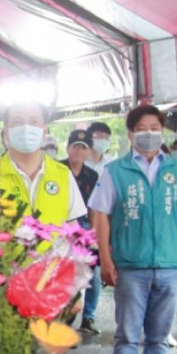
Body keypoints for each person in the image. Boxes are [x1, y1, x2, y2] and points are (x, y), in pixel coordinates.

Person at [89, 104, 177, 354]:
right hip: (130, 266)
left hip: (170, 265)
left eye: (154, 128)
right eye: (142, 129)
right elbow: (101, 216)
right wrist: (106, 259)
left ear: (161, 132)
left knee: (160, 336)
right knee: (127, 334)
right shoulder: (116, 171)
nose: (149, 134)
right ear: (130, 134)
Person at [0, 101, 87, 354]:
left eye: (33, 121)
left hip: (52, 290)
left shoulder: (61, 175)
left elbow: (74, 233)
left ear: (45, 130)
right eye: (18, 120)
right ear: (5, 132)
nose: (26, 127)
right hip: (4, 291)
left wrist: (76, 290)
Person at [62, 130, 101, 334]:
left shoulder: (92, 175)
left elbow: (94, 207)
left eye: (83, 147)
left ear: (88, 152)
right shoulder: (58, 169)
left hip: (85, 227)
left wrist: (93, 234)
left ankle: (88, 318)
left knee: (91, 274)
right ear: (68, 148)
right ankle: (65, 320)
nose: (78, 151)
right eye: (75, 146)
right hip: (63, 226)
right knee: (66, 274)